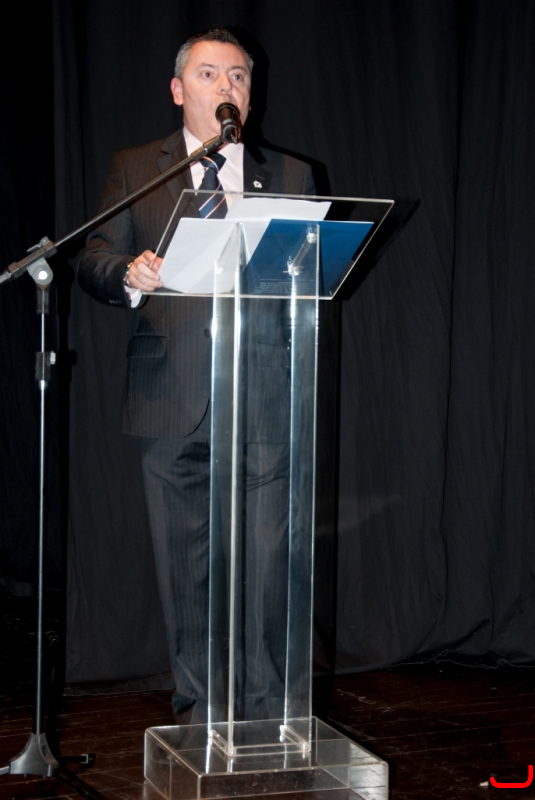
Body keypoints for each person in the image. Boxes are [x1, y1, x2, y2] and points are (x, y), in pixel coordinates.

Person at [78, 28, 315, 722]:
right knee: (186, 571)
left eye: (238, 76)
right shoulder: (138, 168)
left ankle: (268, 715)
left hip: (266, 395)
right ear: (179, 90)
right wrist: (128, 273)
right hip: (169, 397)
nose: (227, 87)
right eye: (210, 74)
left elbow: (309, 271)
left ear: (250, 95)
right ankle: (200, 711)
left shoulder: (291, 175)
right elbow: (93, 256)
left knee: (268, 569)